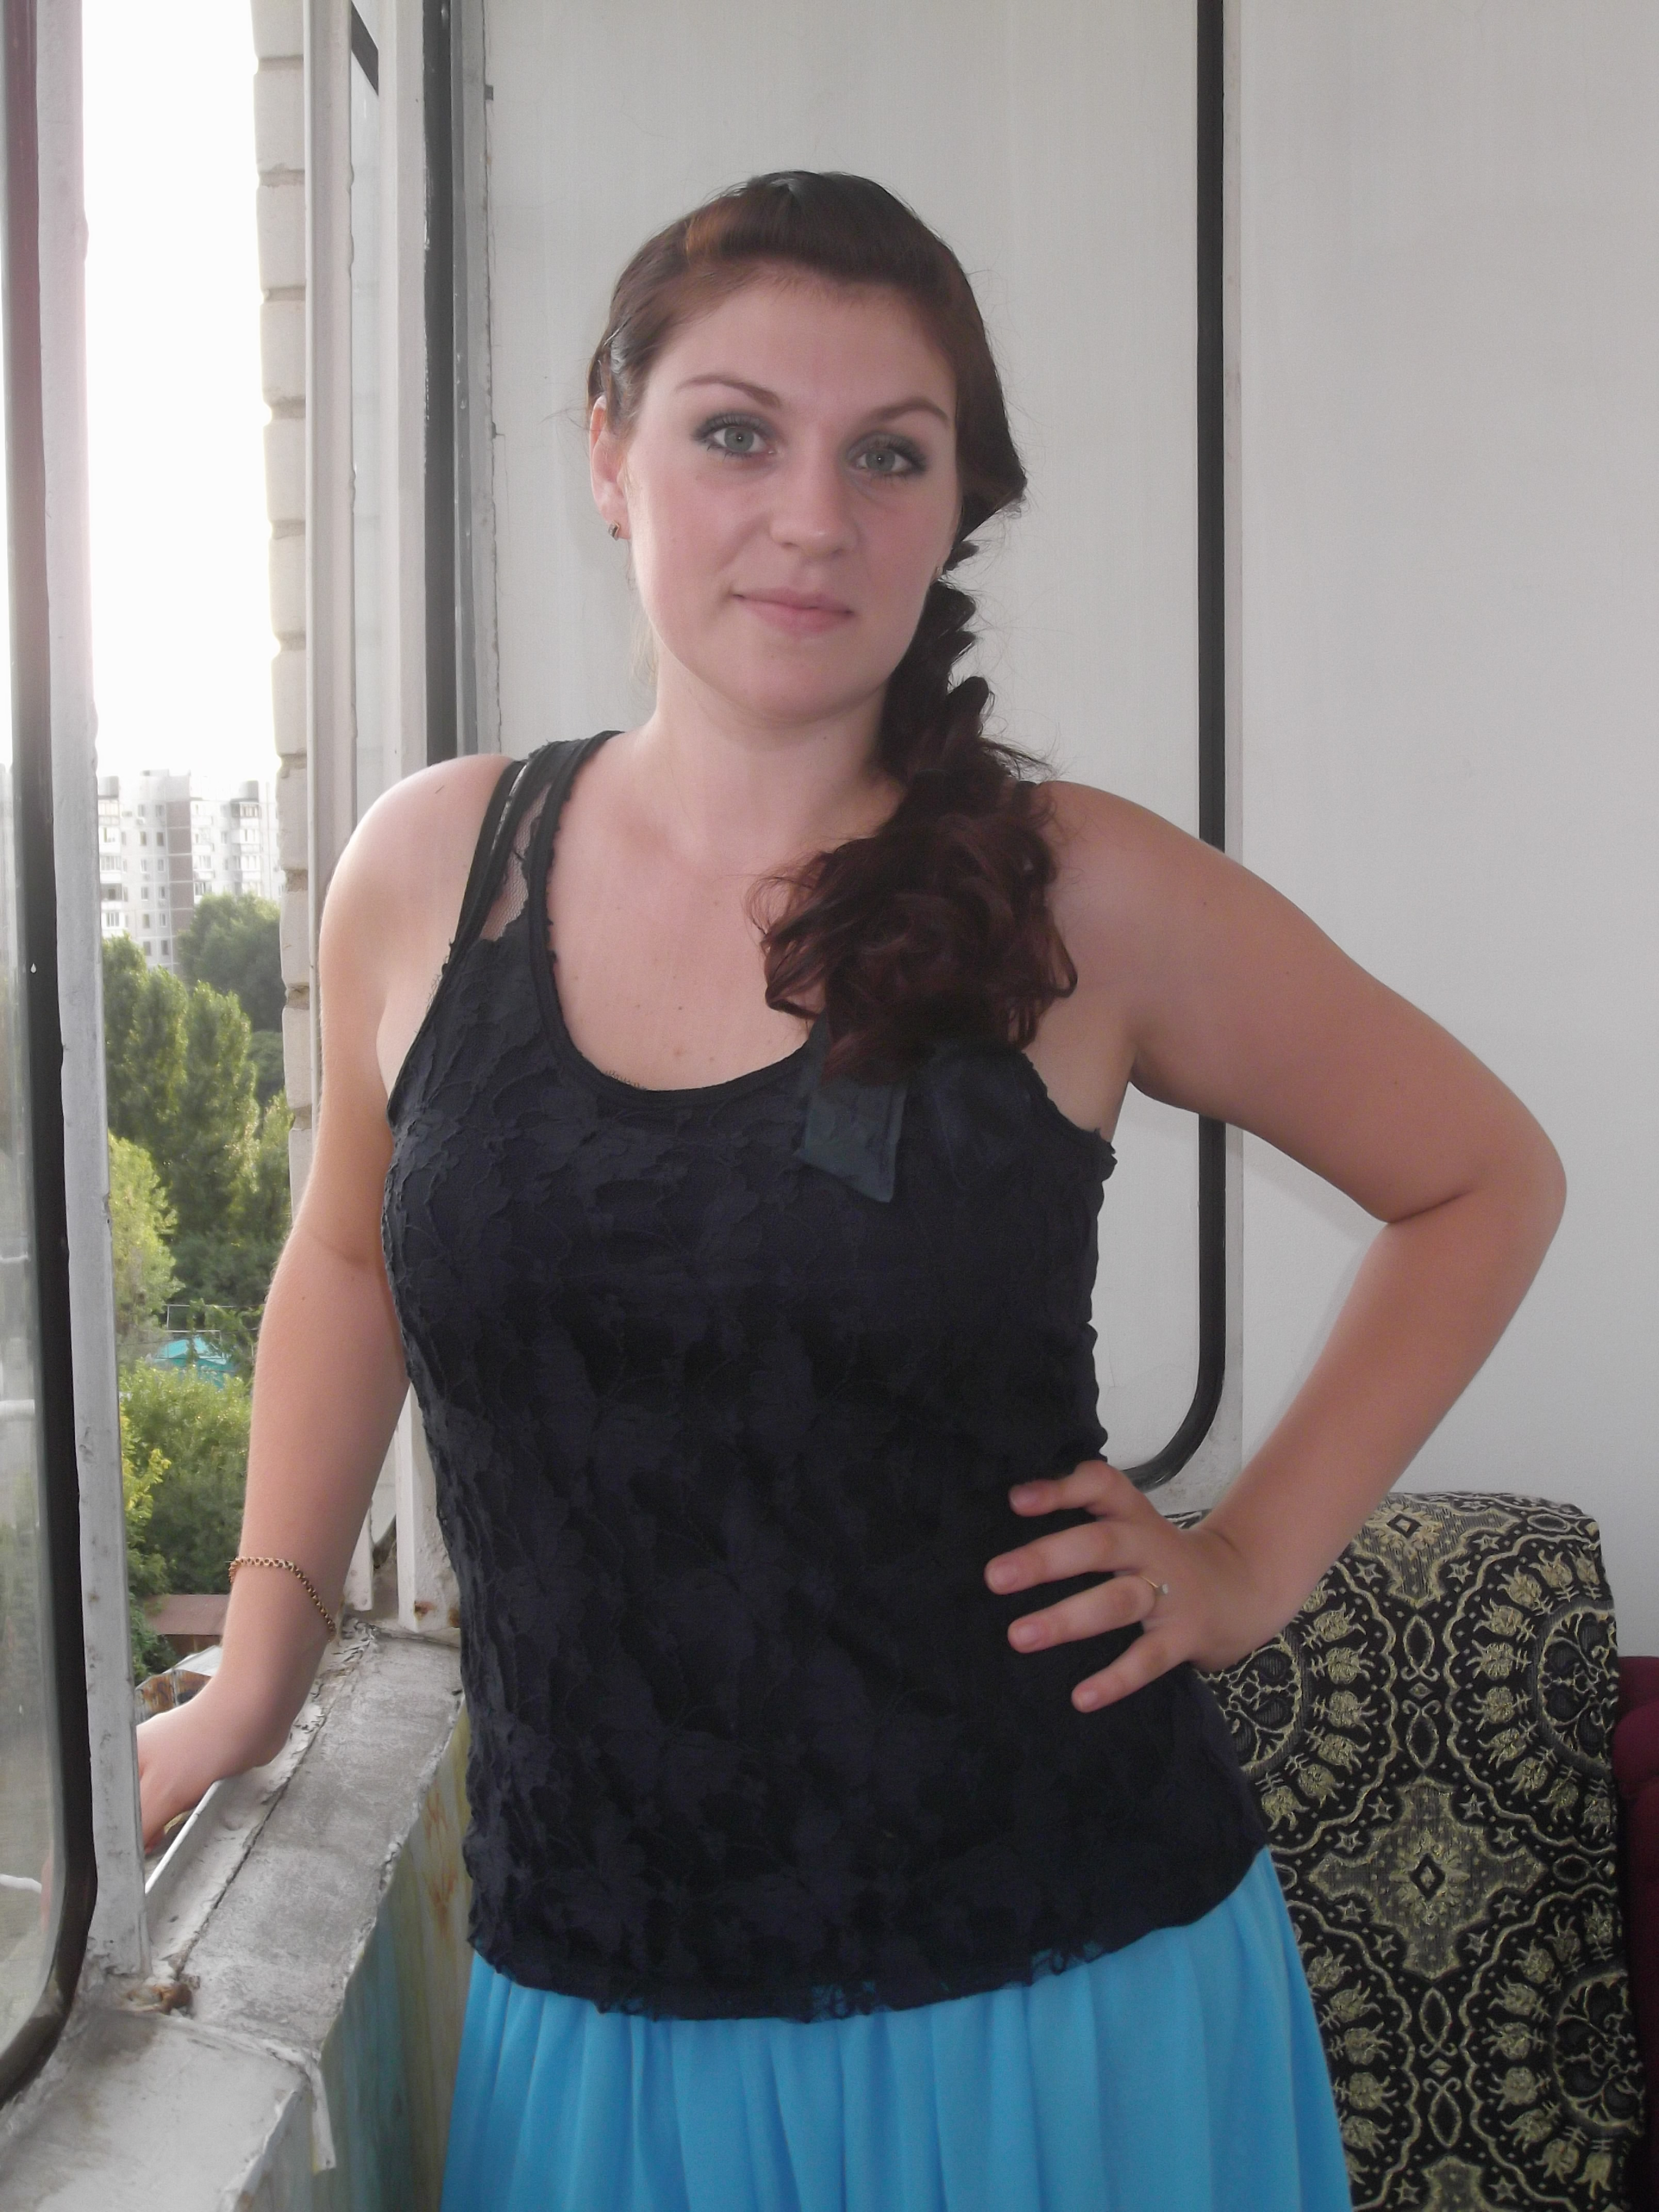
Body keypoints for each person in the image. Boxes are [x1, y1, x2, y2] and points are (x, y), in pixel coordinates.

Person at [135, 172, 1564, 2211]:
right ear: (610, 452)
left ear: (956, 504)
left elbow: (1484, 1177)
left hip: (1060, 2012)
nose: (812, 516)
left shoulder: (1082, 891)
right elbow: (352, 1260)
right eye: (738, 432)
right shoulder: (428, 868)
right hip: (601, 2011)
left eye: (888, 454)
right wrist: (260, 1667)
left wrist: (1249, 1560)